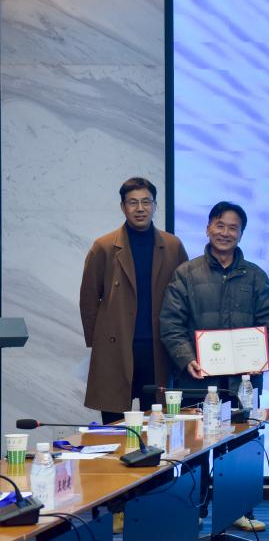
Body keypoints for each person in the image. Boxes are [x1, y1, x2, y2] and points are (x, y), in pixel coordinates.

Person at [159, 200, 269, 532]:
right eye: (220, 225)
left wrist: (257, 358)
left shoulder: (255, 276)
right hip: (196, 378)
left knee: (240, 446)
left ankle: (239, 511)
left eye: (233, 228)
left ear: (241, 234)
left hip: (242, 381)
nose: (225, 233)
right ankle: (193, 511)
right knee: (195, 446)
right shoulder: (187, 273)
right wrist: (186, 358)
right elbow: (171, 323)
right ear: (208, 228)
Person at [79, 177, 189, 424]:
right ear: (123, 207)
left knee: (159, 424)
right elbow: (88, 299)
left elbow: (186, 297)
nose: (140, 209)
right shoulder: (104, 246)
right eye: (133, 202)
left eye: (146, 202)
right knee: (115, 424)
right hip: (116, 348)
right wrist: (98, 343)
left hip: (158, 349)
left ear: (155, 205)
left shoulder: (172, 245)